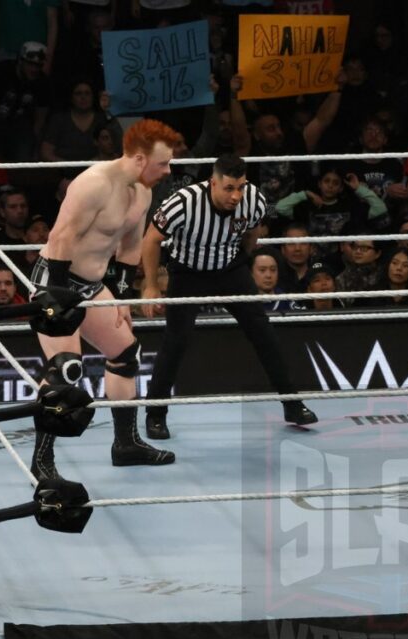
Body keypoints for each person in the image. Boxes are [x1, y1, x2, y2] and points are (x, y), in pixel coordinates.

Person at [28, 118, 180, 481]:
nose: (168, 170)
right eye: (163, 163)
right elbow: (62, 237)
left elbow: (129, 246)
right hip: (56, 281)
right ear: (141, 159)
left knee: (126, 354)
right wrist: (61, 300)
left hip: (93, 285)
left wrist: (122, 298)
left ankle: (125, 444)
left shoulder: (141, 191)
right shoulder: (94, 183)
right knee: (65, 370)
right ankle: (42, 460)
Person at [140, 154, 317, 440]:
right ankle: (155, 415)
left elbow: (253, 232)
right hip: (187, 272)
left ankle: (293, 405)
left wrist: (242, 261)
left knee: (263, 333)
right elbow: (151, 238)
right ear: (213, 183)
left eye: (241, 187)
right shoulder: (184, 202)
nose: (236, 196)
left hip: (229, 269)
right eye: (229, 188)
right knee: (176, 340)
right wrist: (150, 285)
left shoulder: (254, 200)